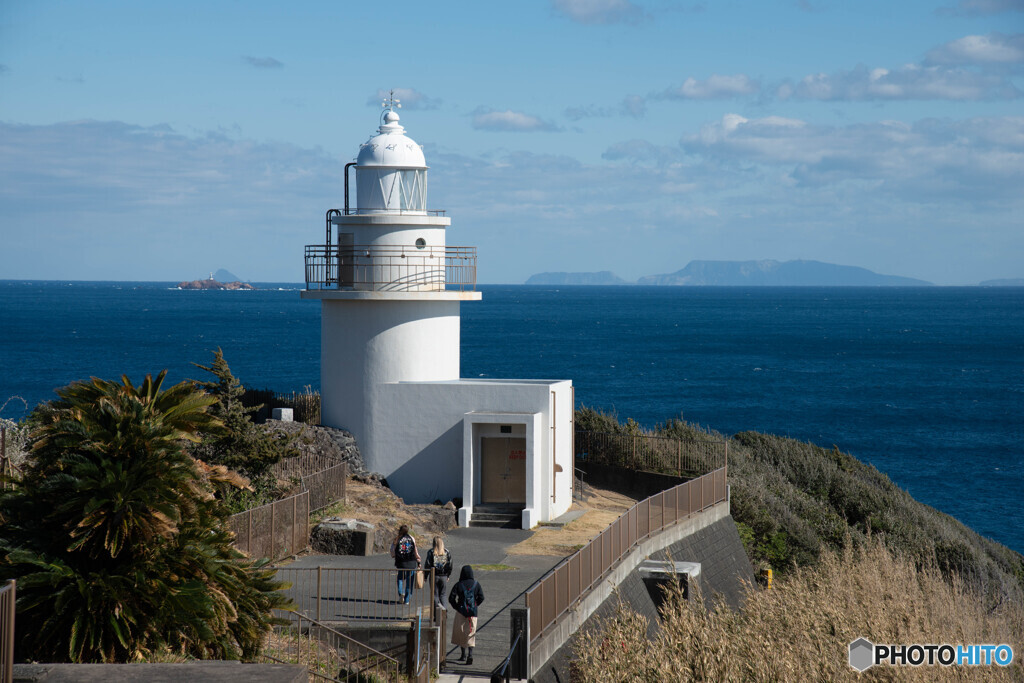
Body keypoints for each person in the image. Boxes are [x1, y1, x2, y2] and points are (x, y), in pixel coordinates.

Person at [448, 565, 484, 666]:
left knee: (461, 633)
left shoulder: (459, 584)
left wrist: (457, 607)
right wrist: (475, 606)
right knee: (471, 633)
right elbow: (481, 597)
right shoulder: (476, 584)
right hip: (473, 613)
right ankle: (470, 654)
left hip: (461, 612)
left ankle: (463, 655)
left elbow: (451, 598)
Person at [390, 524, 421, 605]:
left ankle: (401, 593)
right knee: (409, 581)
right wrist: (418, 560)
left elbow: (392, 550)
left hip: (400, 562)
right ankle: (407, 599)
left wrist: (394, 556)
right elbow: (415, 551)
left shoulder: (397, 539)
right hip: (411, 562)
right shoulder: (412, 538)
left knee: (400, 578)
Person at [423, 536, 453, 610]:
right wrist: (448, 575)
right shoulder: (447, 552)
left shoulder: (431, 552)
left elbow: (428, 564)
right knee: (443, 595)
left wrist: (425, 576)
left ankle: (436, 614)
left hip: (434, 576)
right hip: (444, 576)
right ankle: (444, 610)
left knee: (435, 595)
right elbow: (450, 565)